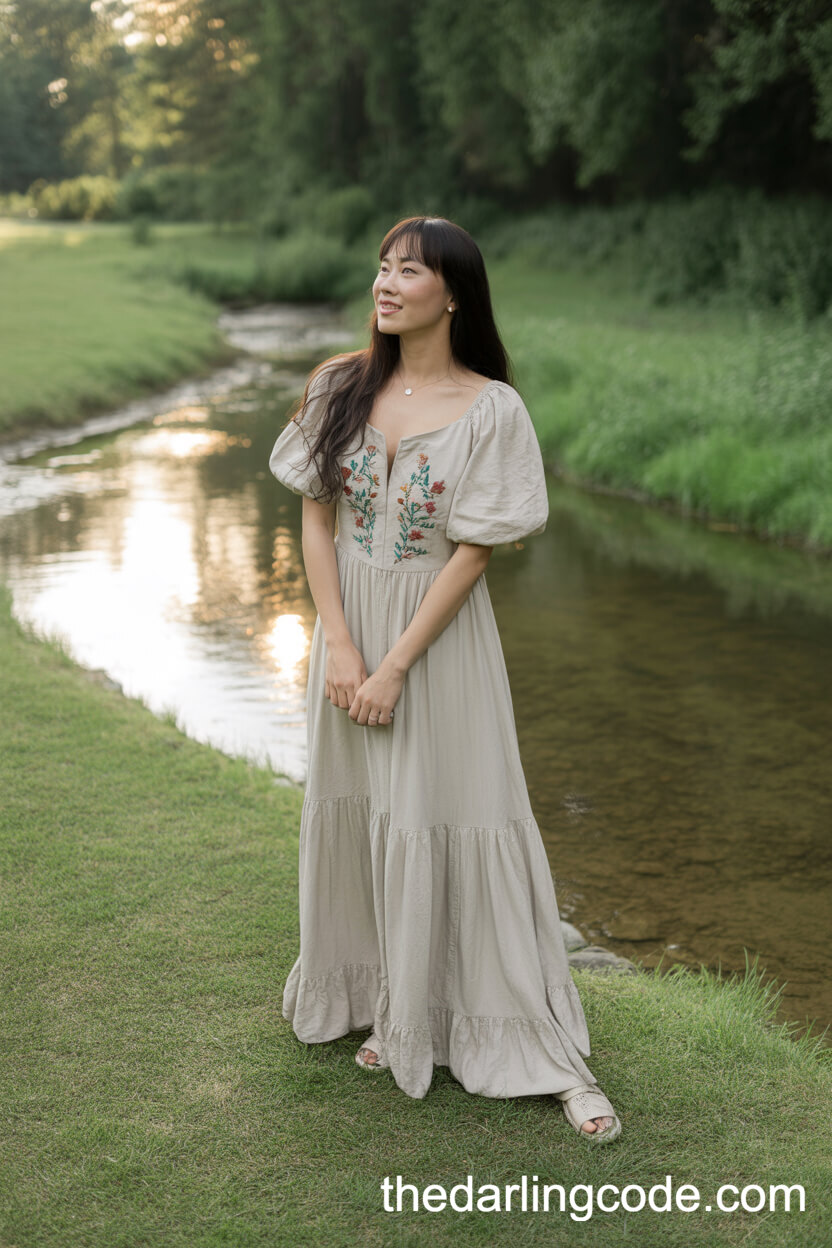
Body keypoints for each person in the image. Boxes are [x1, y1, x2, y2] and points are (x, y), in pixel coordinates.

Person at [268, 215, 621, 1142]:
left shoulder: (493, 408)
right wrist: (341, 648)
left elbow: (472, 555)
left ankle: (521, 1039)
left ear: (453, 293)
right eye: (381, 266)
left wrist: (392, 665)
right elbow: (316, 518)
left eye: (409, 271)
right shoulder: (338, 384)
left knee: (446, 811)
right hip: (347, 633)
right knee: (367, 809)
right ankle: (393, 1005)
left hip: (436, 642)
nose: (386, 283)